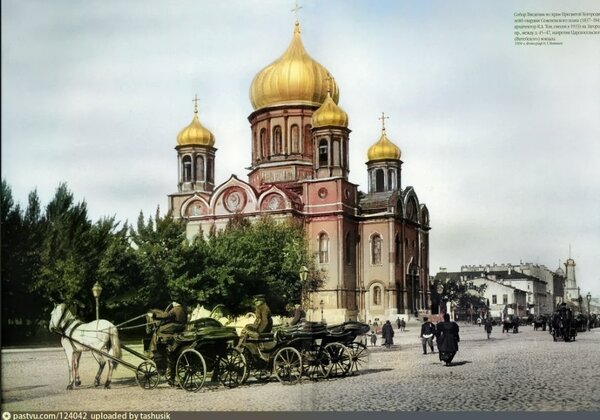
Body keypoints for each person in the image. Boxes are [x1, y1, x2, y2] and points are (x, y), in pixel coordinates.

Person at [148, 297, 188, 386]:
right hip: (181, 327)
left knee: (160, 330)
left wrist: (154, 315)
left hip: (176, 326)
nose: (172, 303)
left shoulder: (175, 309)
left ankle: (158, 341)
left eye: (173, 302)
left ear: (175, 303)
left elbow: (166, 316)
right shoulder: (184, 310)